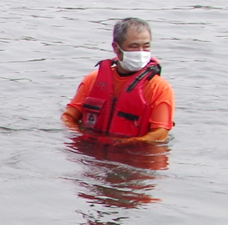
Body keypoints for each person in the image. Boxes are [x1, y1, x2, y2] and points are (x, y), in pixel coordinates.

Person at [62, 18, 173, 146]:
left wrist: (126, 143)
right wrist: (78, 135)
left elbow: (161, 133)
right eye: (134, 47)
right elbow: (68, 117)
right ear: (116, 48)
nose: (141, 52)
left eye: (146, 47)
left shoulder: (159, 87)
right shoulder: (92, 80)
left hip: (135, 155)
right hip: (91, 152)